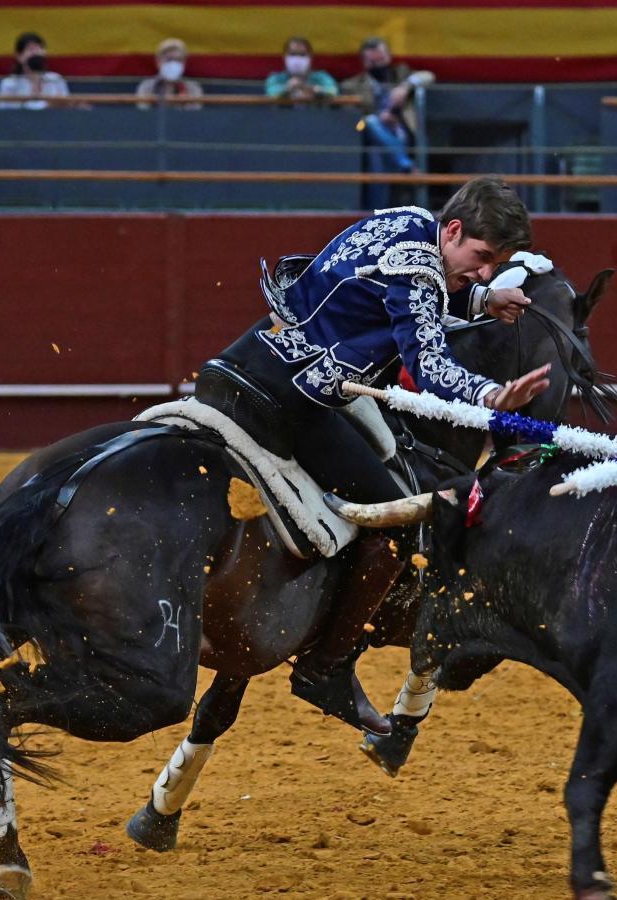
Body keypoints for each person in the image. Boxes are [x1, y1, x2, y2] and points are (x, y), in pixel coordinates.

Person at [196, 177, 547, 731]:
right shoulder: (423, 269)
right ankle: (324, 669)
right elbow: (428, 363)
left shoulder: (409, 220)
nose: (484, 270)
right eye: (482, 259)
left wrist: (481, 298)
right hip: (297, 398)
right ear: (452, 230)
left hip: (244, 363)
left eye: (493, 264)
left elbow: (403, 289)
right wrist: (489, 396)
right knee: (402, 518)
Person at [340, 37, 435, 210]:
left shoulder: (402, 73)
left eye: (381, 60)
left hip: (402, 133)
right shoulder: (352, 86)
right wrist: (380, 117)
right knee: (372, 128)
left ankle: (379, 214)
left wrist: (405, 87)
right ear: (364, 62)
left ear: (388, 57)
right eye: (372, 62)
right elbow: (351, 118)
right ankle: (406, 167)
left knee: (379, 155)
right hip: (369, 136)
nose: (378, 65)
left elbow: (429, 76)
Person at [0, 32, 70, 110]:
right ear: (19, 56)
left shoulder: (56, 79)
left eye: (39, 48)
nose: (36, 53)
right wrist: (47, 105)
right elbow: (4, 113)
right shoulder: (9, 84)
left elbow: (67, 108)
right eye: (30, 49)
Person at [135, 38, 204, 110]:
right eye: (169, 59)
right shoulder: (146, 87)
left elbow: (194, 117)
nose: (173, 64)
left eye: (178, 60)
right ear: (158, 62)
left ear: (184, 63)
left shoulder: (193, 88)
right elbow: (143, 114)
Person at [265, 37, 338, 103]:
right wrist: (289, 88)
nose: (297, 59)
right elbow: (272, 94)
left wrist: (309, 88)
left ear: (310, 57)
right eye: (292, 54)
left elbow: (332, 92)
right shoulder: (275, 78)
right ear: (284, 57)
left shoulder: (322, 77)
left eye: (302, 55)